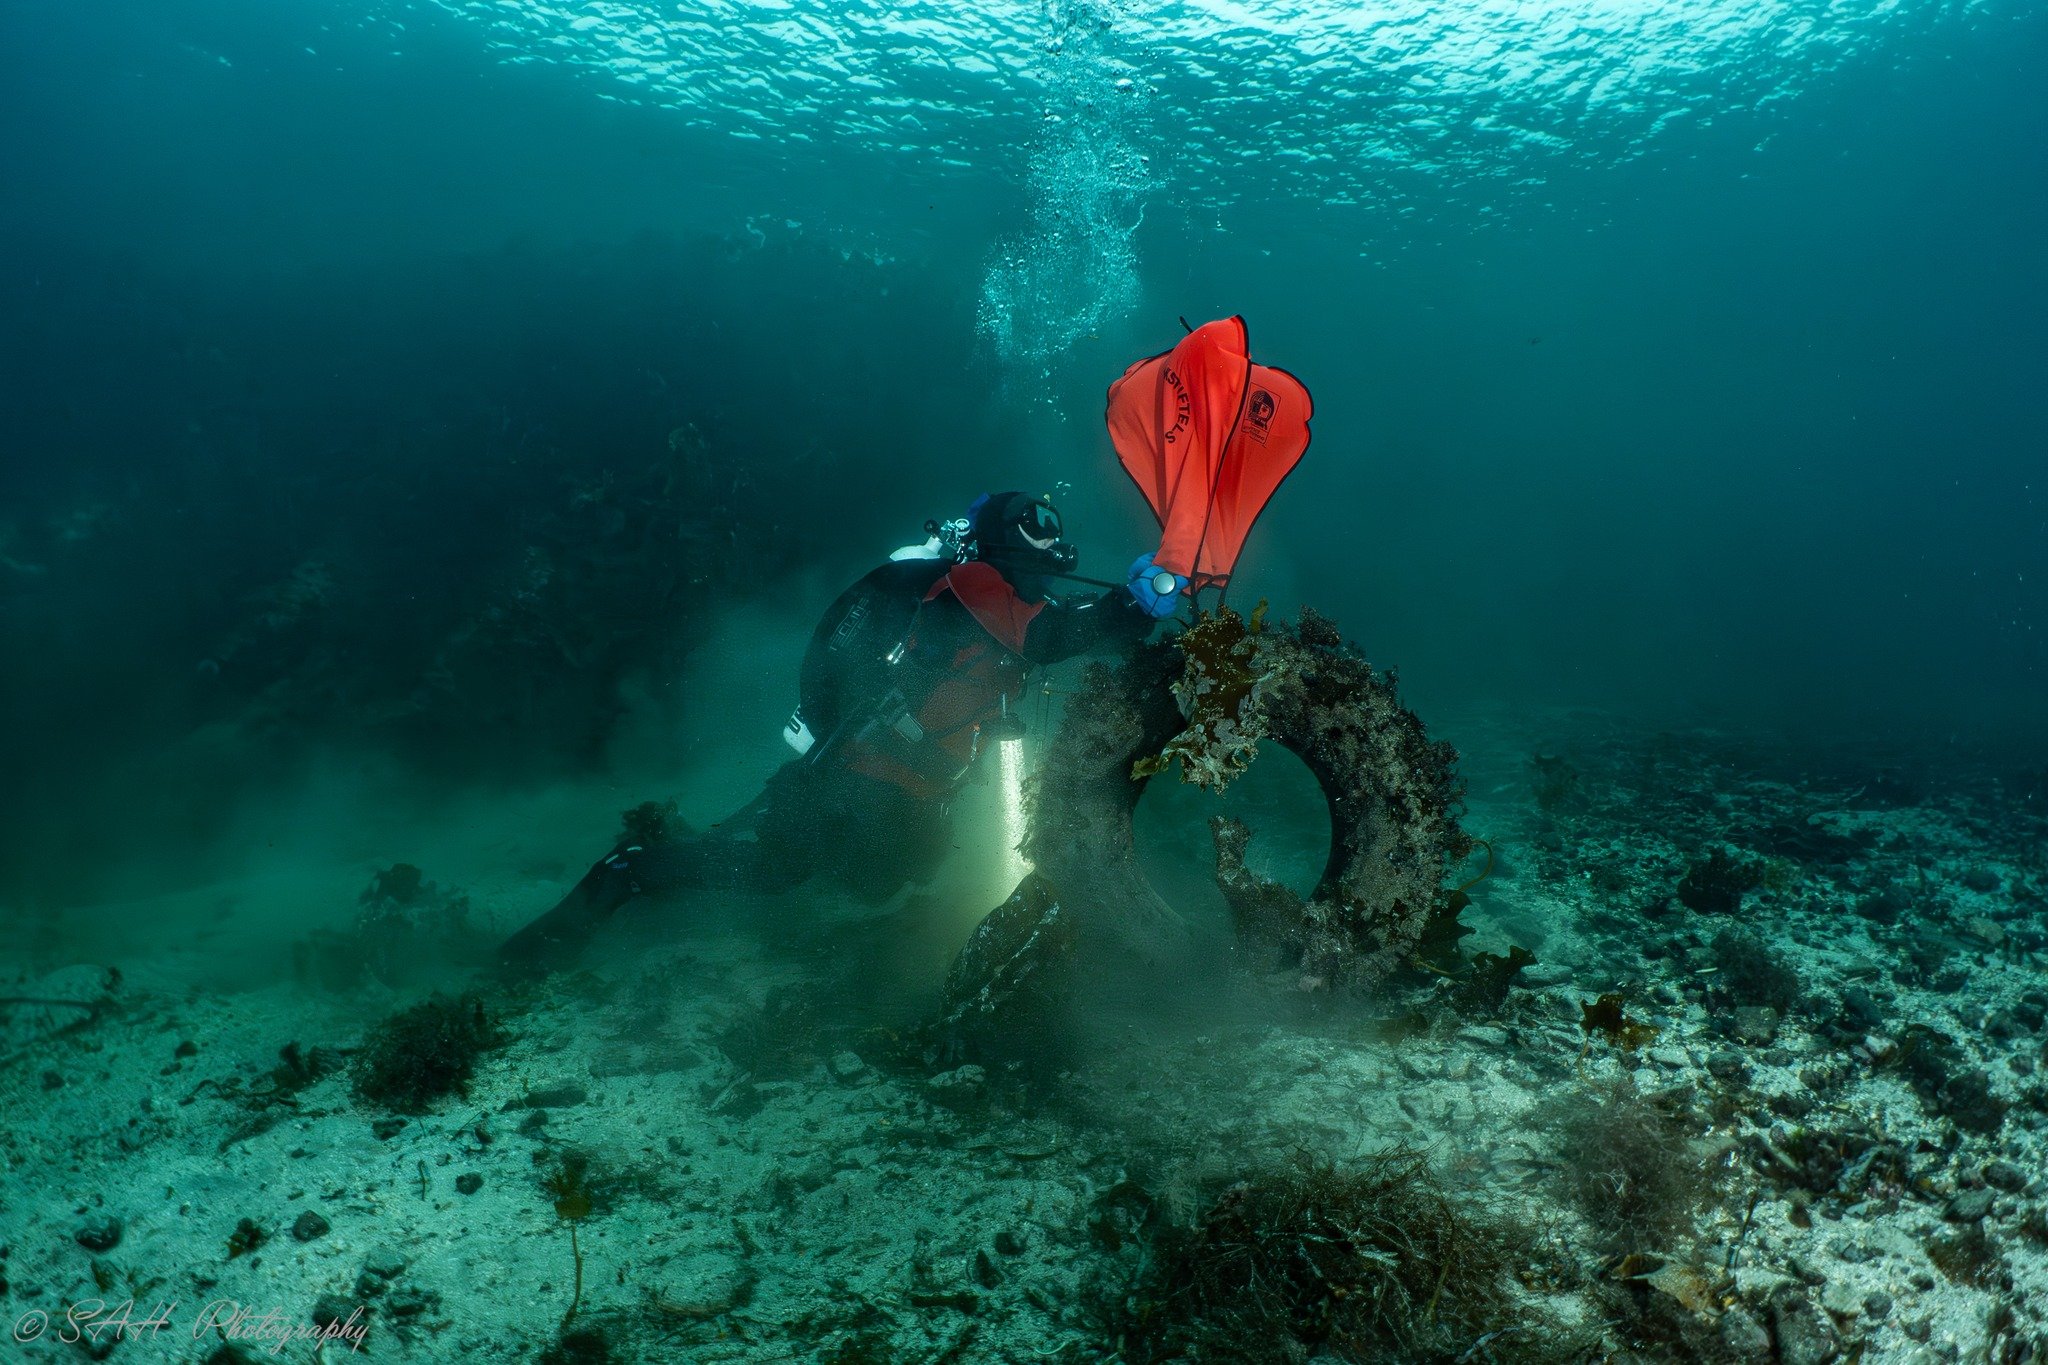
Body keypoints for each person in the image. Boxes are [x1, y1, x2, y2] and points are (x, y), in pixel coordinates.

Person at [496, 490, 1186, 975]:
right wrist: (1132, 602)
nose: (1050, 541)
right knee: (776, 869)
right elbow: (1054, 636)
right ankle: (626, 874)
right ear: (1002, 542)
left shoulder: (1006, 599)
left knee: (882, 879)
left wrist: (1134, 610)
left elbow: (1063, 629)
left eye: (1050, 528)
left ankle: (684, 860)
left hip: (900, 786)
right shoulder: (973, 585)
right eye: (1034, 528)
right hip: (854, 774)